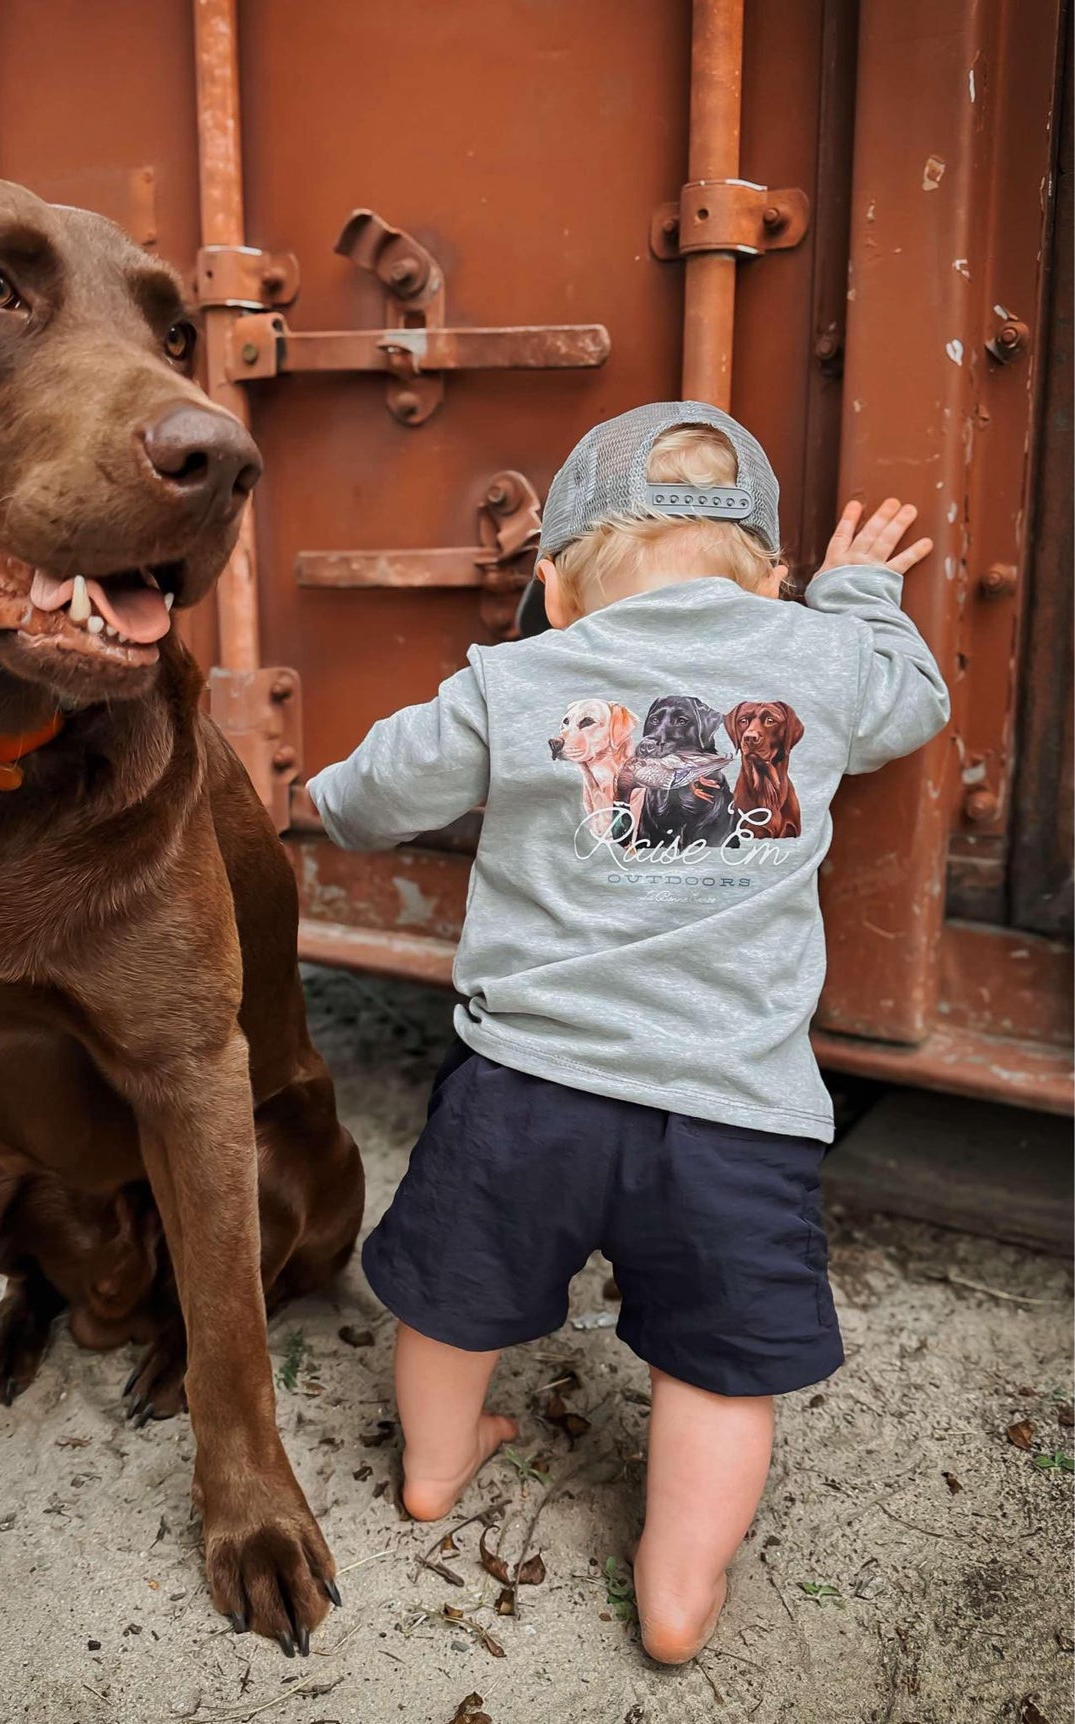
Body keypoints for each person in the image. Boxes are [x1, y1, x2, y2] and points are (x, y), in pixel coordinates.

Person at [305, 401, 949, 1665]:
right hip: (731, 1107)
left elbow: (368, 799)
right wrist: (860, 596)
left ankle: (434, 1466)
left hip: (523, 1085)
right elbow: (911, 700)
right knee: (716, 1366)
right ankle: (675, 1585)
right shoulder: (815, 658)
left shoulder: (518, 675)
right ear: (771, 583)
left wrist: (325, 798)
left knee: (453, 1297)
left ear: (549, 586)